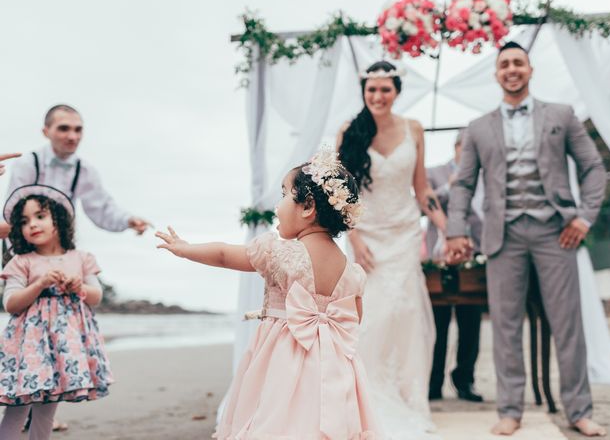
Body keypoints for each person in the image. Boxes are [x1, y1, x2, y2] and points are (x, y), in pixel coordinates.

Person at [156, 148, 383, 439]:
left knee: (274, 420)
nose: (278, 205)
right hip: (333, 367)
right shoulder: (353, 272)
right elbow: (353, 321)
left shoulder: (280, 253)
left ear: (307, 206)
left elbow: (226, 255)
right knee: (319, 422)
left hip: (281, 359)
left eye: (284, 194)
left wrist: (186, 250)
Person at [446, 41, 607, 437]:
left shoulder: (562, 115)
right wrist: (456, 230)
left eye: (518, 62)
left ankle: (579, 411)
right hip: (503, 236)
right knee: (504, 324)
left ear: (530, 70)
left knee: (567, 323)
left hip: (557, 232)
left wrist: (584, 219)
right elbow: (464, 184)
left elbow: (593, 168)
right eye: (504, 64)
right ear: (497, 74)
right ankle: (510, 410)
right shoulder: (478, 128)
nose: (512, 69)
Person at [337, 61, 447, 438]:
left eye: (385, 89)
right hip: (366, 239)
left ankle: (409, 399)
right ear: (363, 92)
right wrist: (353, 237)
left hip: (403, 236)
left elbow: (422, 190)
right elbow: (341, 195)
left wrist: (449, 229)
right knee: (373, 317)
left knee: (406, 315)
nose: (377, 96)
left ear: (396, 91)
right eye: (371, 90)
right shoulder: (349, 133)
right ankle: (368, 400)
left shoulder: (414, 129)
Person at [0, 185, 113, 440]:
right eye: (24, 221)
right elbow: (11, 303)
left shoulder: (81, 258)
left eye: (40, 216)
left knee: (47, 409)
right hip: (27, 348)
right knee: (17, 408)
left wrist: (77, 286)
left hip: (62, 347)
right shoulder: (21, 261)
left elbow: (96, 296)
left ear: (58, 219)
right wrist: (39, 285)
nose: (33, 224)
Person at [0, 104, 149, 242]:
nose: (73, 136)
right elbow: (13, 210)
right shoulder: (28, 164)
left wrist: (127, 220)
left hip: (58, 250)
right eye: (64, 128)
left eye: (78, 130)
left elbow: (101, 209)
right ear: (46, 132)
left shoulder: (85, 170)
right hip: (21, 248)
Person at [426, 130, 483, 403]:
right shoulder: (434, 172)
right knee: (437, 326)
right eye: (467, 148)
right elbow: (421, 205)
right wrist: (450, 187)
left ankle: (465, 380)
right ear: (457, 147)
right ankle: (433, 382)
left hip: (473, 260)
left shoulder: (483, 177)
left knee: (471, 323)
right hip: (438, 262)